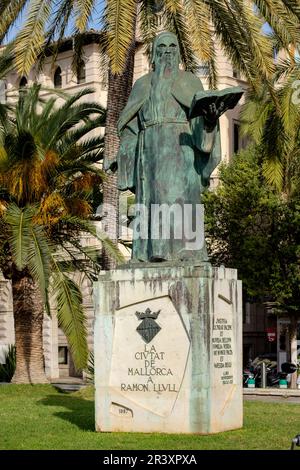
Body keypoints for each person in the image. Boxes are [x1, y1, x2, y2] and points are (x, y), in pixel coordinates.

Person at [105, 31, 241, 263]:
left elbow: (200, 121)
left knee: (183, 198)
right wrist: (124, 153)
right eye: (162, 47)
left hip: (181, 147)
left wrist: (210, 119)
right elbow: (129, 125)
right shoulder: (142, 84)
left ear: (178, 52)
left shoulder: (190, 81)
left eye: (172, 46)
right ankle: (149, 253)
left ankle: (189, 252)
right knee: (152, 199)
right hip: (149, 150)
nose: (167, 50)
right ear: (154, 54)